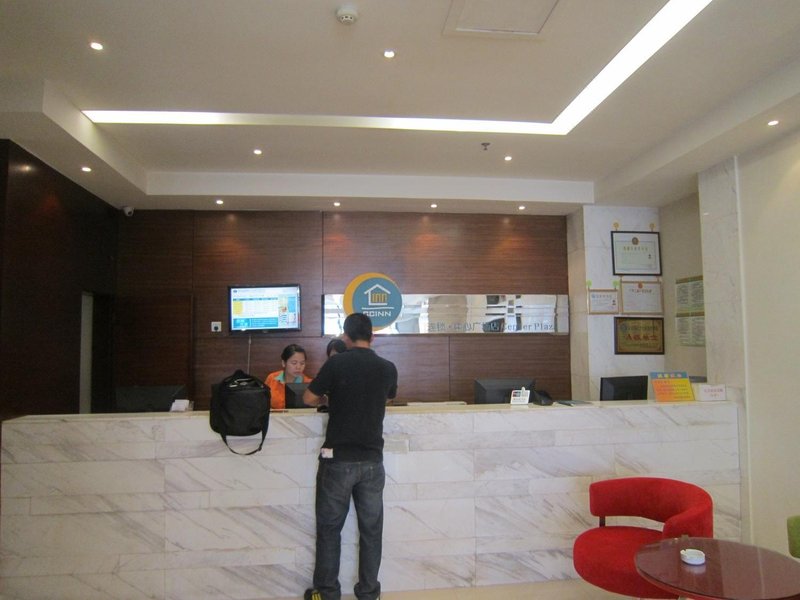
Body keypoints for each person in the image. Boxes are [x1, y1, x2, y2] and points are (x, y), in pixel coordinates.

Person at [303, 313, 398, 600]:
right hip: (372, 461)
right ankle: (368, 593)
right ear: (373, 336)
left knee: (330, 529)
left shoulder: (336, 363)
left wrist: (332, 397)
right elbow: (388, 397)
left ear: (345, 336)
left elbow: (308, 398)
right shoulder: (387, 368)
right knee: (371, 531)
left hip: (338, 459)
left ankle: (327, 593)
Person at [265, 343, 312, 410]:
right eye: (294, 363)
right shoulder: (272, 378)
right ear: (284, 363)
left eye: (302, 363)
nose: (298, 367)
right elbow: (263, 402)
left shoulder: (308, 383)